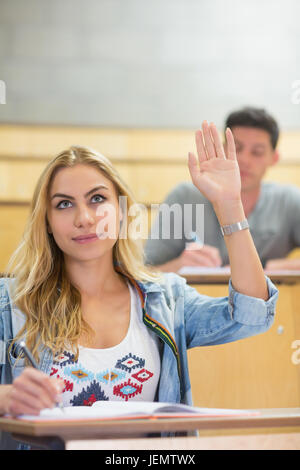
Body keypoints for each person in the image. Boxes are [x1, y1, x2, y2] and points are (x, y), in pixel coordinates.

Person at [0, 123, 278, 449]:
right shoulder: (10, 304)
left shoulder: (166, 299)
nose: (84, 218)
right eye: (64, 204)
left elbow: (253, 314)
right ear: (46, 221)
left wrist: (229, 206)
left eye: (97, 199)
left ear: (120, 210)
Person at [145, 107, 300, 271]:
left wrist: (268, 267)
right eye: (237, 148)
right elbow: (143, 274)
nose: (244, 159)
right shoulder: (184, 198)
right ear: (223, 148)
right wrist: (178, 266)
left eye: (257, 152)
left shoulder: (288, 201)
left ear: (273, 158)